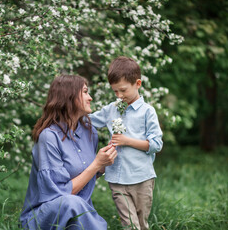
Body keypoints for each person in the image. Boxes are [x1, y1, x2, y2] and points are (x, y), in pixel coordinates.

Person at [20, 74, 117, 230]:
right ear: (69, 96)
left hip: (78, 214)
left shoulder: (90, 132)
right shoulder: (49, 137)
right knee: (72, 202)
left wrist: (103, 165)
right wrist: (96, 164)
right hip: (44, 216)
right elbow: (59, 193)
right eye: (85, 92)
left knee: (77, 206)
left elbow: (85, 176)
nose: (90, 97)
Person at [89, 56, 163, 230]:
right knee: (129, 224)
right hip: (118, 179)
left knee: (142, 224)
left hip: (142, 178)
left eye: (123, 90)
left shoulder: (148, 112)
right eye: (115, 92)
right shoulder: (111, 109)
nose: (119, 96)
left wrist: (127, 141)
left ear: (137, 84)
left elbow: (156, 144)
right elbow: (88, 121)